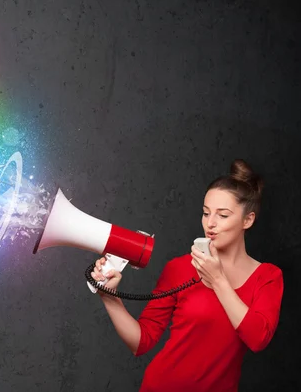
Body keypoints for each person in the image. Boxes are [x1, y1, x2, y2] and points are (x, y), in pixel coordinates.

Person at [91, 159, 284, 392]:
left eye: (223, 216)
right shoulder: (179, 268)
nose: (210, 224)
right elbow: (141, 343)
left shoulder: (268, 276)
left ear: (248, 220)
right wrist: (109, 297)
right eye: (205, 213)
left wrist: (218, 281)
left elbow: (258, 338)